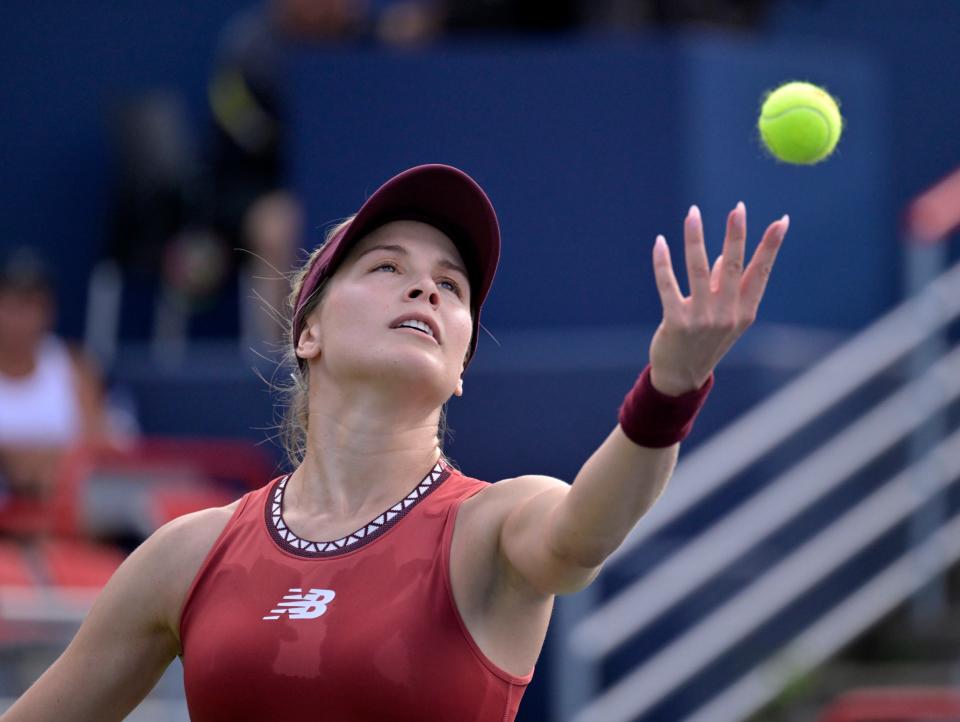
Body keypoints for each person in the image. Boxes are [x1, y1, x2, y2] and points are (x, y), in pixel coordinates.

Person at [0, 164, 788, 721]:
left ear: (459, 372)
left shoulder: (495, 525)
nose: (427, 289)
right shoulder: (186, 554)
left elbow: (587, 531)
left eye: (452, 287)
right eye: (387, 267)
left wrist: (672, 385)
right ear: (306, 331)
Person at [0, 248, 112, 500]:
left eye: (32, 306)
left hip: (62, 515)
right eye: (10, 306)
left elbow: (99, 447)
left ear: (49, 312)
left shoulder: (75, 367)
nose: (20, 320)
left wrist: (46, 464)